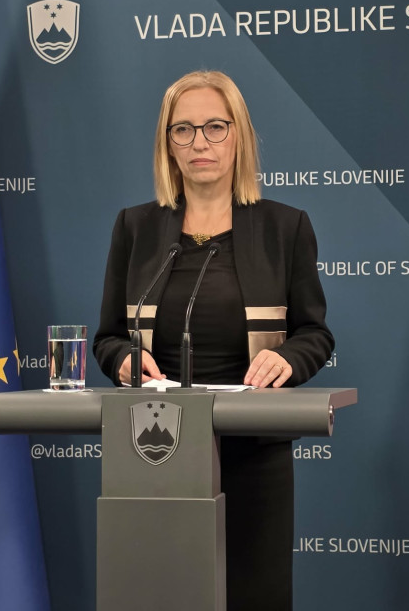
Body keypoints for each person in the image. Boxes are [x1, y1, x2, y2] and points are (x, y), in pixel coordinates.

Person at [94, 69, 334, 609]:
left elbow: (314, 333)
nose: (199, 142)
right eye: (183, 130)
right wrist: (126, 362)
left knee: (254, 596)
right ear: (168, 144)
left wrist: (287, 360)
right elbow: (108, 338)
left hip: (253, 453)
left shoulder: (285, 227)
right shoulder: (135, 228)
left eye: (214, 127)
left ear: (239, 136)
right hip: (156, 449)